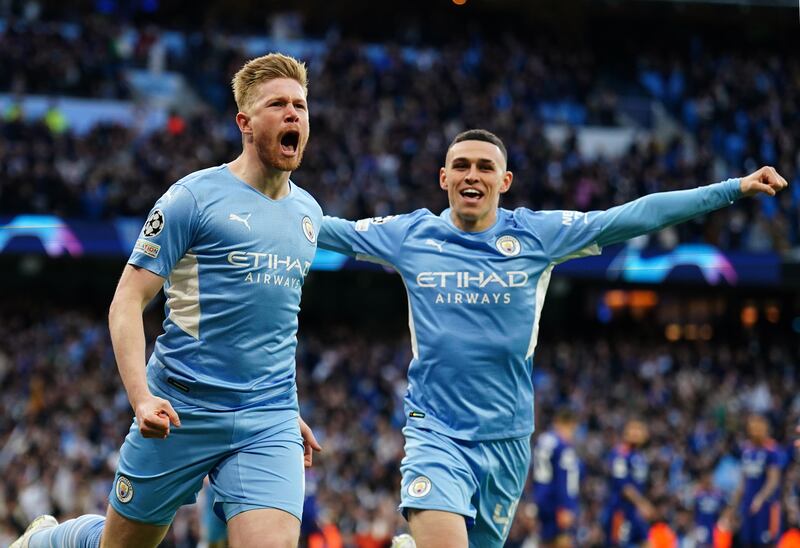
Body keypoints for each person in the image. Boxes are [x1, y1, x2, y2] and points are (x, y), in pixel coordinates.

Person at [317, 128, 788, 548]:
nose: (471, 175)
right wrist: (254, 196)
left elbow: (634, 216)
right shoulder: (411, 234)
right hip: (435, 432)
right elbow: (324, 230)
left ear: (505, 182)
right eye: (461, 166)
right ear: (444, 178)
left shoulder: (536, 235)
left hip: (507, 440)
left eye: (485, 166)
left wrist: (731, 189)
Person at [12, 52, 323, 548]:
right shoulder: (193, 199)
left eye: (301, 106)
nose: (293, 115)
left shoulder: (309, 212)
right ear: (244, 122)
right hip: (181, 408)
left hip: (268, 418)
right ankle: (51, 540)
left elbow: (273, 323)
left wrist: (288, 411)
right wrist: (141, 399)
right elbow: (126, 302)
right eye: (278, 104)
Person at [730, 414, 782, 547]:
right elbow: (742, 482)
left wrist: (760, 498)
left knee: (764, 542)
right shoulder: (746, 451)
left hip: (764, 506)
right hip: (747, 504)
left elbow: (773, 481)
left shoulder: (771, 451)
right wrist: (733, 506)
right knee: (746, 542)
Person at [532, 408, 581, 547]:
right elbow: (564, 479)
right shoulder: (563, 445)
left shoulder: (542, 439)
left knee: (545, 541)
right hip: (557, 503)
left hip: (542, 498)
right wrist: (566, 506)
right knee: (563, 542)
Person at [603, 419, 653, 547]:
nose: (636, 433)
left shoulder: (640, 457)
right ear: (625, 433)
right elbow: (624, 486)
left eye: (639, 429)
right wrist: (642, 503)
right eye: (633, 429)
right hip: (620, 511)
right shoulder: (619, 454)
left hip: (635, 512)